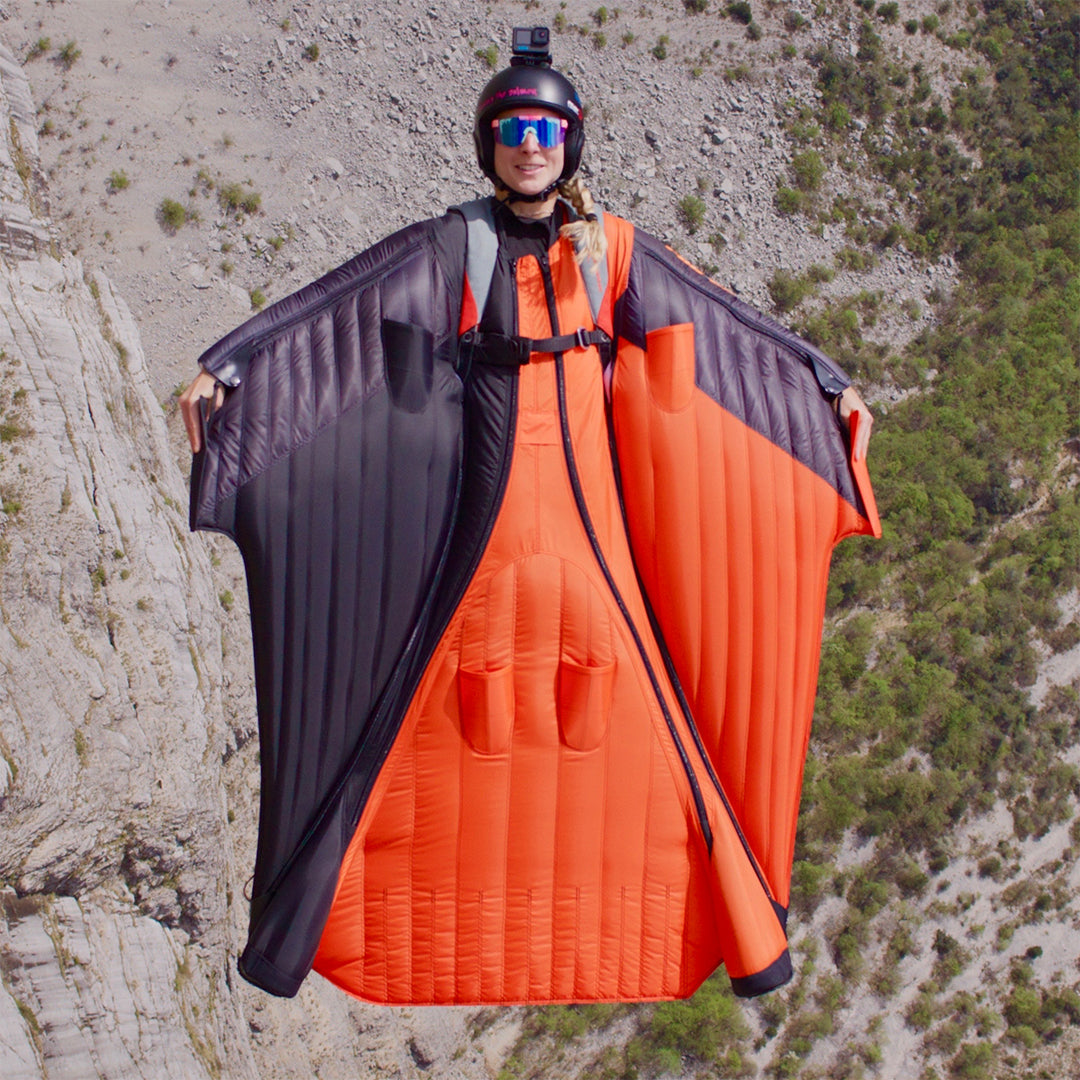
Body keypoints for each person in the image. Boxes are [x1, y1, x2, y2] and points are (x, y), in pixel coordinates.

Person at [180, 27, 879, 1006]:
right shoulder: (454, 246)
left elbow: (725, 322)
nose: (529, 145)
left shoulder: (613, 251)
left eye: (546, 128)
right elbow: (344, 303)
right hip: (485, 523)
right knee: (424, 702)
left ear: (570, 140)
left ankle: (726, 912)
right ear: (489, 143)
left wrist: (829, 385)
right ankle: (321, 908)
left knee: (647, 707)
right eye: (512, 128)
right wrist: (233, 363)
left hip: (596, 525)